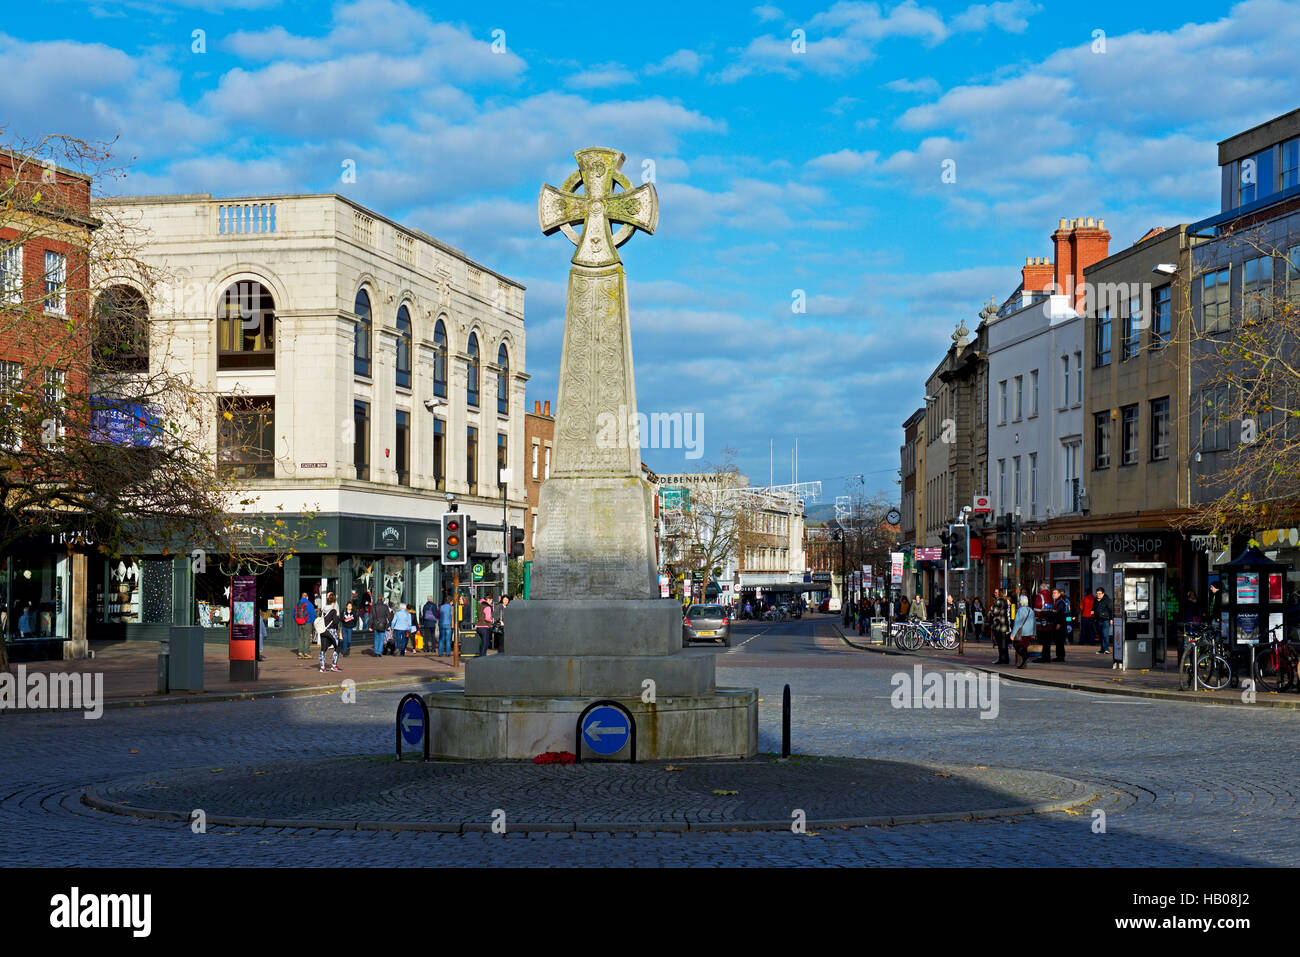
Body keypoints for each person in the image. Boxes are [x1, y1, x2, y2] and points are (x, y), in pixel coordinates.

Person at [1009, 594, 1037, 668]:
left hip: (1021, 633)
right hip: (1029, 633)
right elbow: (1034, 622)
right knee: (1024, 647)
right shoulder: (1031, 610)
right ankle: (1023, 663)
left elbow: (1017, 623)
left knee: (1017, 646)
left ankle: (1025, 657)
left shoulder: (1020, 610)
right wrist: (1034, 633)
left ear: (1020, 602)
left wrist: (1013, 634)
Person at [318, 592, 341, 672]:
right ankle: (334, 665)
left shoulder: (323, 610)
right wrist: (338, 618)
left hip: (323, 630)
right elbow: (335, 622)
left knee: (323, 649)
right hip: (331, 631)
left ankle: (322, 667)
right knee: (337, 646)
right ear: (334, 602)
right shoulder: (333, 610)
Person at [989, 588, 1012, 664]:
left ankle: (1001, 659)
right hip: (1005, 625)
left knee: (1000, 644)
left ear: (999, 593)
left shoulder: (998, 601)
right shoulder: (1006, 601)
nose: (994, 593)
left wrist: (991, 611)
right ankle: (1006, 659)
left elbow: (995, 613)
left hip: (999, 625)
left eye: (996, 592)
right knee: (1004, 644)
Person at [294, 592, 315, 660]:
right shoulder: (309, 604)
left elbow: (294, 614)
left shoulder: (298, 604)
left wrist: (298, 621)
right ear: (307, 597)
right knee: (307, 638)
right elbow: (312, 614)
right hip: (307, 623)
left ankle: (300, 652)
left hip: (300, 623)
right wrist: (311, 621)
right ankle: (306, 653)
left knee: (301, 638)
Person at [1094, 587, 1115, 655]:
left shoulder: (1107, 600)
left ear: (1103, 594)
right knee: (1101, 635)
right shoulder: (1096, 600)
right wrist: (1093, 613)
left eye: (1100, 593)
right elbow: (1093, 608)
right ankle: (1102, 649)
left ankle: (1106, 649)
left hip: (1105, 620)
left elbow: (1111, 610)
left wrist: (1111, 619)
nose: (1098, 595)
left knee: (1105, 634)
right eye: (1097, 593)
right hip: (1098, 620)